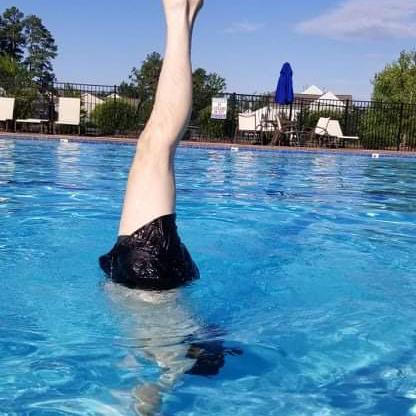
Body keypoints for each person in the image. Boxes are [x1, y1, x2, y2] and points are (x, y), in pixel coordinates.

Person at [99, 0, 203, 290]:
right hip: (147, 273)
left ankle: (183, 14)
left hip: (145, 274)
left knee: (154, 147)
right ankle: (179, 13)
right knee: (155, 146)